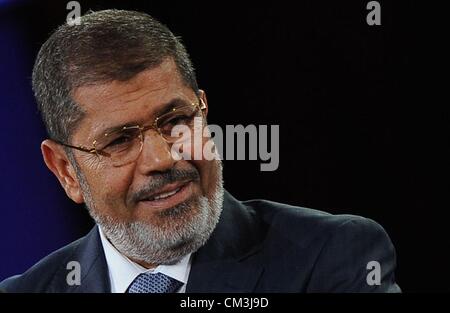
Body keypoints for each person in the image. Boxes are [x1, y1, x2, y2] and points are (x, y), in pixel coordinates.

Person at [0, 9, 400, 293]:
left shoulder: (330, 259)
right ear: (66, 170)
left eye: (175, 120)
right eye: (120, 140)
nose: (164, 159)